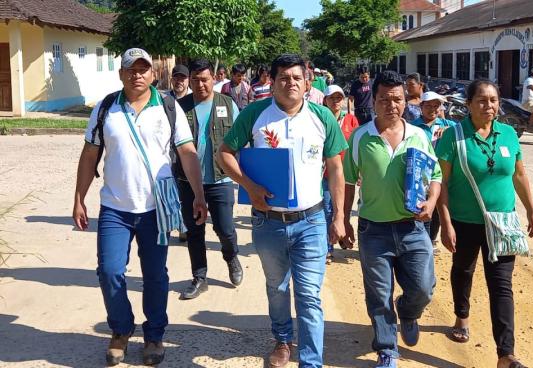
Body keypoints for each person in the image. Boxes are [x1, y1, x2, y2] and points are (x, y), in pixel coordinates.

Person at [72, 48, 208, 366]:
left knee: (155, 275)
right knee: (109, 270)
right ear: (121, 74)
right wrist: (79, 197)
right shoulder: (106, 108)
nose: (138, 74)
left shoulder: (169, 106)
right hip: (115, 207)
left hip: (157, 206)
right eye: (131, 69)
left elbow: (187, 153)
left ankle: (154, 335)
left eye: (144, 69)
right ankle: (121, 329)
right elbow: (90, 154)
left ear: (153, 74)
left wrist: (199, 194)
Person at [217, 53, 348, 368]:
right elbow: (225, 154)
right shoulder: (254, 114)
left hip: (312, 220)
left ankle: (310, 362)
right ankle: (282, 340)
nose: (291, 83)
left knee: (309, 297)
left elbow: (336, 170)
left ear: (307, 83)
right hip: (268, 222)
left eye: (297, 78)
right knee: (277, 288)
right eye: (284, 78)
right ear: (272, 82)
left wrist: (340, 216)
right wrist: (249, 186)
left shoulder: (323, 117)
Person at [435, 79, 533, 368]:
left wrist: (531, 210)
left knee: (501, 286)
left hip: (504, 223)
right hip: (465, 221)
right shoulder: (454, 137)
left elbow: (519, 175)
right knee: (463, 270)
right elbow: (441, 182)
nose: (489, 105)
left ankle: (505, 355)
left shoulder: (508, 134)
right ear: (468, 104)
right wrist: (446, 222)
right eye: (481, 100)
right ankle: (462, 315)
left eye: (493, 100)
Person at [342, 70, 440, 368]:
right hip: (374, 230)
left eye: (397, 99)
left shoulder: (419, 136)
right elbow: (348, 182)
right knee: (379, 294)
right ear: (373, 100)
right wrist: (343, 220)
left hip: (413, 227)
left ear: (405, 100)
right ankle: (387, 349)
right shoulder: (361, 137)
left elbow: (435, 175)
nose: (391, 105)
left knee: (423, 288)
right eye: (384, 99)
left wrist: (432, 202)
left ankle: (409, 313)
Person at [174, 59, 243, 300]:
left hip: (220, 180)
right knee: (194, 231)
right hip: (188, 182)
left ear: (213, 79)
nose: (200, 84)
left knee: (225, 228)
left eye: (205, 79)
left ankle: (232, 257)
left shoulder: (228, 103)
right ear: (189, 81)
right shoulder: (178, 107)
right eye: (195, 80)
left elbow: (241, 139)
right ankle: (199, 277)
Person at [409, 91, 457, 244]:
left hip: (441, 176)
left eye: (437, 106)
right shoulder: (412, 127)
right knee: (421, 207)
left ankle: (431, 239)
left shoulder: (449, 126)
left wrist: (449, 131)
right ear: (421, 107)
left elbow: (466, 128)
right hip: (421, 176)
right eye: (429, 105)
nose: (433, 109)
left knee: (438, 209)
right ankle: (422, 240)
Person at [322, 84, 359, 264]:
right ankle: (328, 248)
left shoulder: (351, 120)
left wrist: (359, 170)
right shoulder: (321, 118)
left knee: (345, 209)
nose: (336, 101)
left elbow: (357, 147)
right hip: (326, 174)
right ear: (325, 100)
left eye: (339, 97)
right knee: (329, 210)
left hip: (348, 173)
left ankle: (343, 236)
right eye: (332, 98)